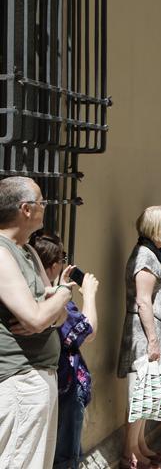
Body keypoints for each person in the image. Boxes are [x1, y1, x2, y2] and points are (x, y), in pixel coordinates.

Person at [0, 177, 77, 469]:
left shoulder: (28, 252)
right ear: (26, 209)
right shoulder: (2, 253)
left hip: (41, 375)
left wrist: (53, 304)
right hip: (20, 378)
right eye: (41, 201)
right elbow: (35, 316)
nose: (45, 207)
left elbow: (58, 315)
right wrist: (63, 293)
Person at [117, 206, 161, 469]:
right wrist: (153, 340)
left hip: (156, 329)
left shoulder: (153, 253)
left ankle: (140, 446)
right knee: (140, 391)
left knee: (148, 391)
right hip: (146, 331)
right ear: (157, 226)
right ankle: (129, 454)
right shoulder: (145, 257)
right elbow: (143, 301)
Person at [29, 231, 100, 469]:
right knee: (66, 458)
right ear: (53, 265)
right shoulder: (55, 300)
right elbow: (87, 333)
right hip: (66, 388)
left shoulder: (28, 292)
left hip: (50, 385)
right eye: (62, 258)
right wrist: (89, 294)